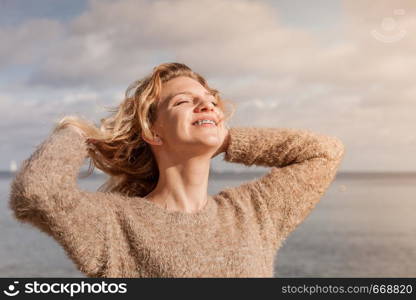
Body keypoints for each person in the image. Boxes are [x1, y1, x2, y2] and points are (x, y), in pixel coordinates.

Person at [9, 62, 345, 278]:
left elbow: (324, 153)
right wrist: (75, 133)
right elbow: (38, 193)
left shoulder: (255, 212)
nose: (208, 104)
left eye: (212, 100)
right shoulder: (116, 225)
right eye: (183, 101)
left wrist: (223, 135)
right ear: (153, 132)